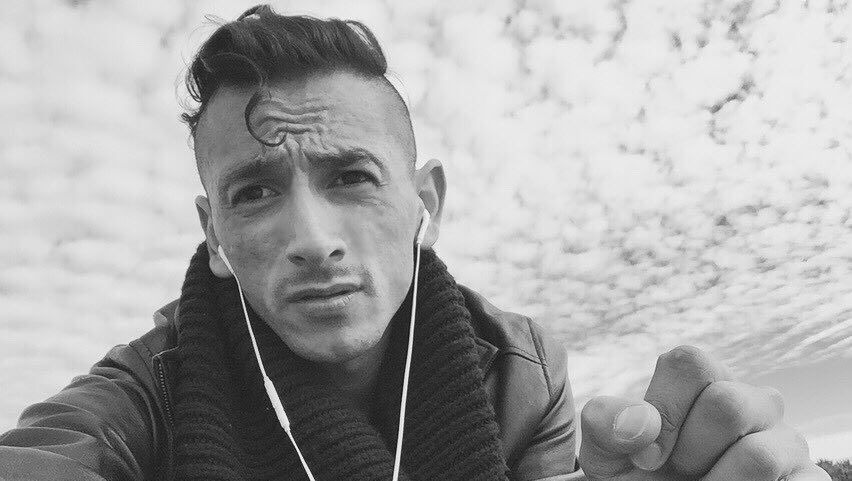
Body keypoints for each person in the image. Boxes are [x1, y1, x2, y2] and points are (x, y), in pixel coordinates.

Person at [0, 5, 829, 481]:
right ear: (214, 235)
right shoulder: (146, 391)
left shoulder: (521, 369)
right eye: (253, 192)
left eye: (350, 176)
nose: (312, 239)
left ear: (425, 201)